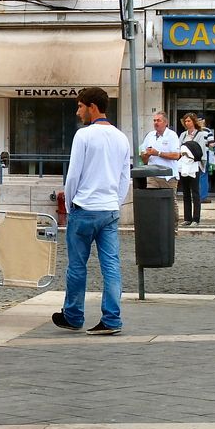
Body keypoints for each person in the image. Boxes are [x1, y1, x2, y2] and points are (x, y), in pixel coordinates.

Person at [52, 87, 130, 336]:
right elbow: (123, 177)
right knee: (111, 264)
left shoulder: (84, 136)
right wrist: (115, 202)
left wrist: (72, 202)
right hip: (109, 208)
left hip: (85, 207)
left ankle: (73, 315)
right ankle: (112, 318)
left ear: (92, 107)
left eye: (80, 106)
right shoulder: (121, 137)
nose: (78, 112)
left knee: (77, 265)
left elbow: (73, 174)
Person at [139, 111, 180, 229]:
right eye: (154, 120)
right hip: (152, 175)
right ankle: (155, 227)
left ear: (165, 122)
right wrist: (146, 155)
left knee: (170, 202)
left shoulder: (171, 135)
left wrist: (158, 153)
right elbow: (143, 158)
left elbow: (176, 155)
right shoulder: (150, 135)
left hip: (168, 176)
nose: (156, 123)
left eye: (159, 120)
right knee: (152, 202)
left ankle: (173, 227)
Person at [178, 112, 208, 226]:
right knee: (185, 192)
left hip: (194, 165)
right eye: (185, 121)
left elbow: (201, 150)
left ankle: (196, 218)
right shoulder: (183, 135)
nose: (187, 123)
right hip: (184, 164)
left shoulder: (200, 134)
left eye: (189, 121)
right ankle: (187, 218)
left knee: (195, 192)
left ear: (194, 122)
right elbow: (179, 146)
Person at [196, 116, 215, 202]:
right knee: (204, 175)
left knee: (196, 175)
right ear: (204, 121)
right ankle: (203, 197)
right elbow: (211, 145)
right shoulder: (208, 131)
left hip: (195, 155)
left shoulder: (194, 131)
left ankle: (196, 196)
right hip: (205, 155)